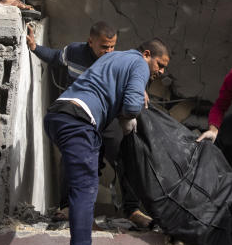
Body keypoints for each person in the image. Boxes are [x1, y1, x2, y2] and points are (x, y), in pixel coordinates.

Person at [43, 38, 170, 245]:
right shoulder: (140, 63)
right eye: (160, 65)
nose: (161, 72)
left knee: (92, 160)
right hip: (78, 119)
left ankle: (84, 226)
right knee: (86, 187)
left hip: (59, 115)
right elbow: (131, 105)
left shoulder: (114, 56)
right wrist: (130, 111)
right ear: (147, 54)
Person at [27, 21, 152, 228]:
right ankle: (67, 207)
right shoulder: (75, 52)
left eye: (112, 46)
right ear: (90, 42)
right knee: (72, 158)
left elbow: (131, 79)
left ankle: (132, 209)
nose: (109, 51)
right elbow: (57, 58)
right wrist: (35, 48)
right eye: (104, 47)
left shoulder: (115, 58)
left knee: (126, 155)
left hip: (106, 116)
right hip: (79, 114)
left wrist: (140, 89)